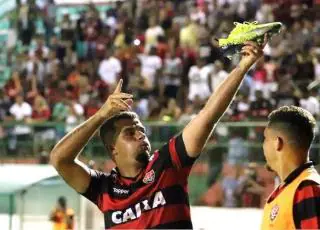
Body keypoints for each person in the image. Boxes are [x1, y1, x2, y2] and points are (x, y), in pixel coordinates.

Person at [50, 38, 267, 229]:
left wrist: (242, 68)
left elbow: (207, 115)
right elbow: (60, 159)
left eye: (142, 131)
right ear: (113, 150)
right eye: (130, 133)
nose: (140, 136)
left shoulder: (167, 164)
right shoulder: (103, 189)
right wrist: (101, 115)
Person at [261, 106, 320, 229]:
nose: (263, 146)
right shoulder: (288, 189)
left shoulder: (306, 188)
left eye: (265, 139)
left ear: (277, 142)